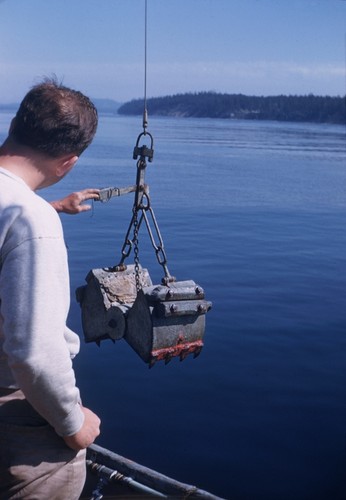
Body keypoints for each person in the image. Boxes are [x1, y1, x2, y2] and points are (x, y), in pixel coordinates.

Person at [0, 78, 101, 499]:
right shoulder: (32, 222)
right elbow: (35, 353)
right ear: (69, 162)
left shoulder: (22, 209)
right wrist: (72, 425)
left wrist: (54, 204)